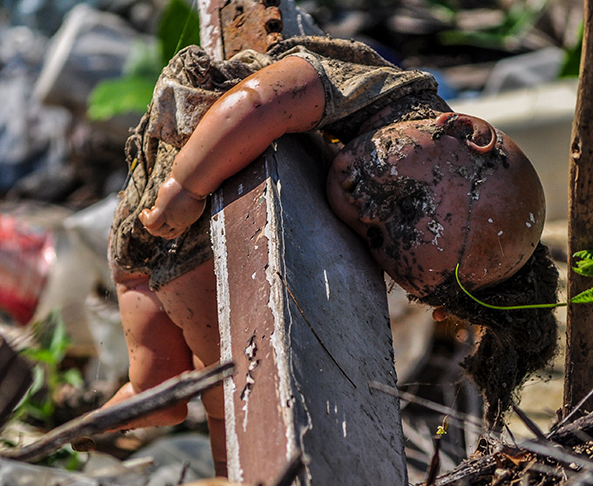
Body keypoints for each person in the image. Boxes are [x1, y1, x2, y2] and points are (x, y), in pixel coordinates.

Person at [106, 35, 560, 476]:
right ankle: (155, 387)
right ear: (463, 131)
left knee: (220, 389)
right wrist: (187, 184)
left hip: (192, 237)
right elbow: (260, 101)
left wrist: (187, 188)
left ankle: (170, 402)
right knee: (139, 285)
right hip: (183, 194)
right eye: (403, 200)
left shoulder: (382, 124)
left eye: (375, 239)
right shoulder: (371, 89)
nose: (365, 209)